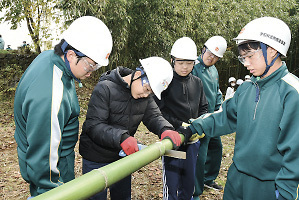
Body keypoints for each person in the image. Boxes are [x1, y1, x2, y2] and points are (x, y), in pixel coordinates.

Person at [188, 17, 298, 200]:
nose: (245, 63)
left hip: (268, 187)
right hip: (236, 180)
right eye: (243, 58)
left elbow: (295, 152)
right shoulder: (247, 88)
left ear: (271, 51)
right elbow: (224, 116)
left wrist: (285, 193)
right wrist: (193, 127)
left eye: (250, 56)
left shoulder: (292, 93)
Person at [14, 16, 113, 198]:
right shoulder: (50, 94)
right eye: (90, 65)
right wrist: (55, 191)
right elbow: (43, 157)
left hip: (58, 158)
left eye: (96, 66)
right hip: (50, 171)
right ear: (70, 55)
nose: (92, 72)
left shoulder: (51, 60)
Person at [79, 56, 185, 200]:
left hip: (122, 157)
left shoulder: (145, 97)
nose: (146, 94)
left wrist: (165, 129)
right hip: (96, 157)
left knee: (122, 196)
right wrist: (122, 137)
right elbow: (94, 125)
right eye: (147, 89)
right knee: (95, 197)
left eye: (151, 93)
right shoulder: (105, 88)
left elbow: (154, 116)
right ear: (139, 74)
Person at [155, 37, 208, 200]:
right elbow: (158, 112)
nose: (185, 67)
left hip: (192, 141)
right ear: (172, 61)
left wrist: (199, 124)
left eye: (189, 63)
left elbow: (204, 107)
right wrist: (178, 125)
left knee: (188, 182)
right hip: (173, 141)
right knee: (172, 182)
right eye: (180, 62)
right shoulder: (165, 83)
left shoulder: (197, 82)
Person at [191, 36, 227, 199]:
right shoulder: (194, 67)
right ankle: (195, 190)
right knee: (201, 154)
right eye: (210, 54)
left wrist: (219, 108)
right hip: (200, 117)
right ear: (204, 49)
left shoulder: (214, 70)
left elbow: (217, 91)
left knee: (216, 147)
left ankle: (208, 178)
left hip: (213, 116)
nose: (211, 58)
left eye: (216, 57)